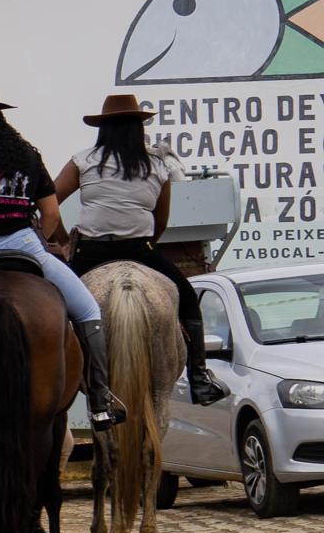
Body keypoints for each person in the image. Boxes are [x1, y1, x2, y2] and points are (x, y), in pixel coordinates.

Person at [0, 83, 123, 431]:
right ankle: (100, 400)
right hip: (26, 243)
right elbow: (51, 212)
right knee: (88, 311)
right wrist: (38, 241)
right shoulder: (28, 153)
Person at [55, 94, 228, 406]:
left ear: (103, 129)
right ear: (138, 128)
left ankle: (53, 380)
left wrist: (64, 240)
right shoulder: (157, 166)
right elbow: (160, 220)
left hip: (90, 252)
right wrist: (146, 244)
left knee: (53, 304)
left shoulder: (82, 161)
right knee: (188, 300)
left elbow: (50, 202)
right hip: (140, 250)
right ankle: (200, 378)